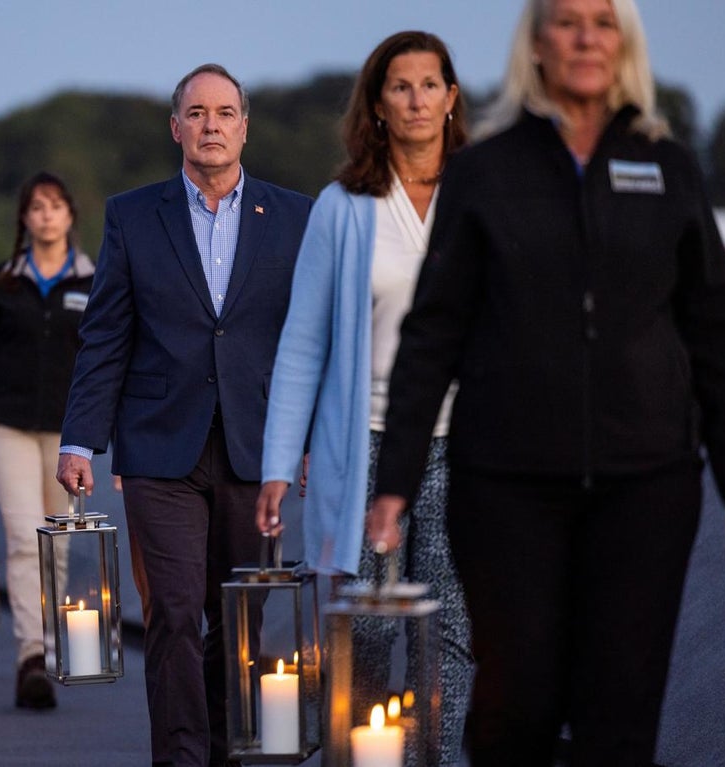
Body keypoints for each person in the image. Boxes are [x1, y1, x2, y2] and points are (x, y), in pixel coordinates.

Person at [370, 1, 725, 764]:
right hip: (507, 485)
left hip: (646, 482)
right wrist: (394, 480)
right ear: (537, 44)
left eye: (603, 21)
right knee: (516, 700)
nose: (586, 35)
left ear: (623, 45)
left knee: (619, 705)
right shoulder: (486, 171)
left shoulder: (667, 166)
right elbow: (434, 331)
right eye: (566, 20)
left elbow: (716, 332)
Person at [56, 64, 313, 766]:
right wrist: (80, 438)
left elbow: (307, 337)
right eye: (195, 113)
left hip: (257, 449)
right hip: (157, 448)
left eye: (224, 112)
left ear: (244, 127)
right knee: (171, 610)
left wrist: (311, 438)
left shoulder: (294, 215)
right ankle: (180, 755)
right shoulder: (134, 215)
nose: (210, 125)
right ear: (176, 128)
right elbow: (106, 334)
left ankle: (227, 747)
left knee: (240, 614)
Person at [255, 30, 472, 764]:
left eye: (430, 84)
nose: (416, 99)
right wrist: (280, 462)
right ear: (377, 105)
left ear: (452, 98)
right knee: (372, 630)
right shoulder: (344, 205)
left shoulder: (484, 196)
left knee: (453, 627)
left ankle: (434, 760)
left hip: (467, 443)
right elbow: (302, 343)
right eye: (400, 86)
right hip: (370, 444)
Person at [0, 172, 96, 709]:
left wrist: (109, 436)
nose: (46, 215)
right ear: (24, 219)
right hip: (6, 422)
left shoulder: (91, 280)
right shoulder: (2, 282)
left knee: (57, 538)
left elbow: (106, 359)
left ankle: (53, 643)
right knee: (20, 535)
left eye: (56, 205)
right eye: (36, 207)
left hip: (69, 429)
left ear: (70, 215)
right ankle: (30, 655)